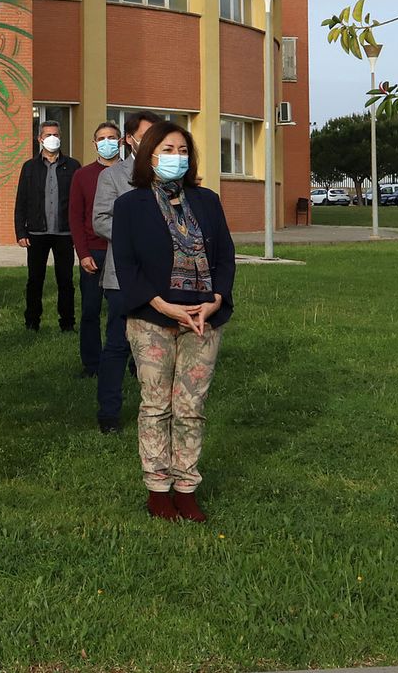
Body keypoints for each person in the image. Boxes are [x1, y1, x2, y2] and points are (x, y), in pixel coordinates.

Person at [110, 121, 235, 523]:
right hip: (152, 319)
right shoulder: (131, 205)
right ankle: (158, 489)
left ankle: (186, 487)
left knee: (191, 407)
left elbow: (225, 259)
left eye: (182, 150)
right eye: (167, 150)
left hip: (203, 319)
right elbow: (127, 266)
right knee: (156, 405)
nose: (176, 158)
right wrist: (164, 306)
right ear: (149, 155)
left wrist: (214, 301)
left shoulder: (208, 201)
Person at [92, 110, 159, 433]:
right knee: (118, 344)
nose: (152, 143)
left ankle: (158, 408)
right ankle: (109, 414)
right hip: (123, 276)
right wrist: (137, 233)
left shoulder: (169, 175)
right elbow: (101, 219)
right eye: (146, 136)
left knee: (158, 345)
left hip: (162, 276)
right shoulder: (114, 177)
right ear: (130, 140)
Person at [13, 120, 80, 332]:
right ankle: (32, 322)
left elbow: (79, 202)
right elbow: (21, 201)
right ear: (40, 139)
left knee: (66, 281)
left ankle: (67, 323)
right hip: (36, 233)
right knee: (34, 281)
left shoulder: (73, 166)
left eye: (56, 134)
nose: (53, 138)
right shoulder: (29, 167)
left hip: (64, 233)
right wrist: (20, 231)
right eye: (48, 134)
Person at [70, 122, 123, 378]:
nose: (107, 142)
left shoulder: (132, 173)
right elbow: (75, 216)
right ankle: (91, 364)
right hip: (94, 252)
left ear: (121, 141)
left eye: (112, 137)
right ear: (94, 144)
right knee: (90, 311)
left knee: (122, 310)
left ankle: (130, 361)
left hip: (123, 251)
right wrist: (83, 254)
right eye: (102, 138)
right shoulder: (82, 175)